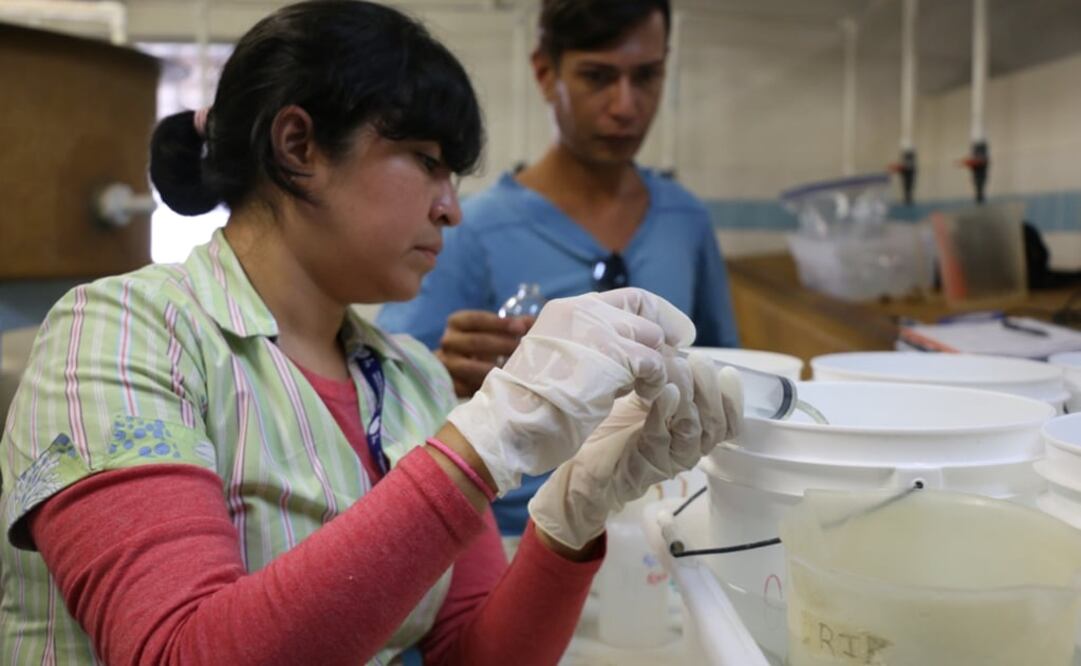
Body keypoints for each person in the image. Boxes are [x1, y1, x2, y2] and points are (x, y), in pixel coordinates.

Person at [0, 2, 742, 664]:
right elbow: (178, 650)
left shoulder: (410, 377)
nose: (451, 209)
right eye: (426, 163)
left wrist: (570, 517)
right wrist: (482, 447)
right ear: (299, 146)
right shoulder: (119, 335)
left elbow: (469, 653)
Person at [378, 0, 740, 536]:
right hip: (514, 542)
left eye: (647, 77)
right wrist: (440, 373)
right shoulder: (471, 231)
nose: (625, 106)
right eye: (598, 77)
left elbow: (726, 375)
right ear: (546, 74)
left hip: (662, 531)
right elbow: (381, 400)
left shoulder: (684, 221)